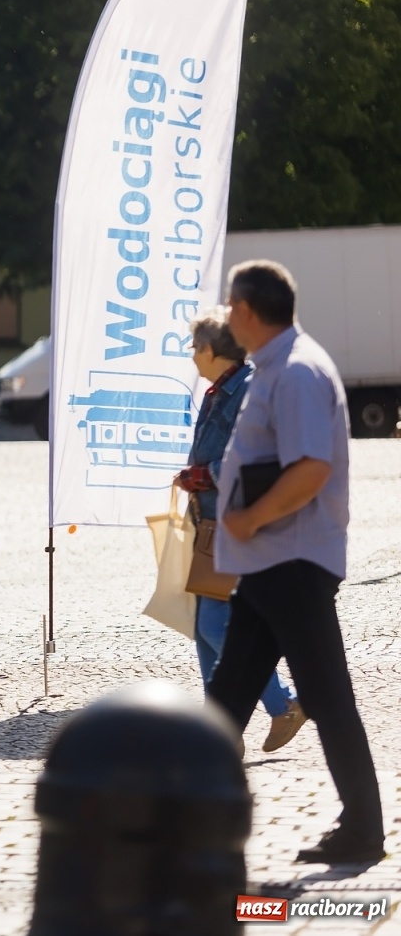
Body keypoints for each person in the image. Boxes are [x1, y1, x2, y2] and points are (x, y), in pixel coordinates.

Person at [207, 260, 384, 864]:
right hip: (270, 565)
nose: (228, 316)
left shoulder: (299, 372)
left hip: (292, 562)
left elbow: (312, 468)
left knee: (326, 695)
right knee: (228, 696)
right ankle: (185, 820)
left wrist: (250, 519)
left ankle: (364, 828)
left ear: (249, 311)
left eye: (232, 306)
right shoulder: (274, 369)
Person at [174, 308, 304, 752]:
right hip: (212, 524)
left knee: (214, 625)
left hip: (237, 523)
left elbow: (250, 455)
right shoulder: (221, 390)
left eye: (195, 347)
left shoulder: (245, 389)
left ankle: (283, 702)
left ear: (211, 350)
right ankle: (220, 732)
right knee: (203, 626)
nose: (192, 355)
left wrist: (202, 475)